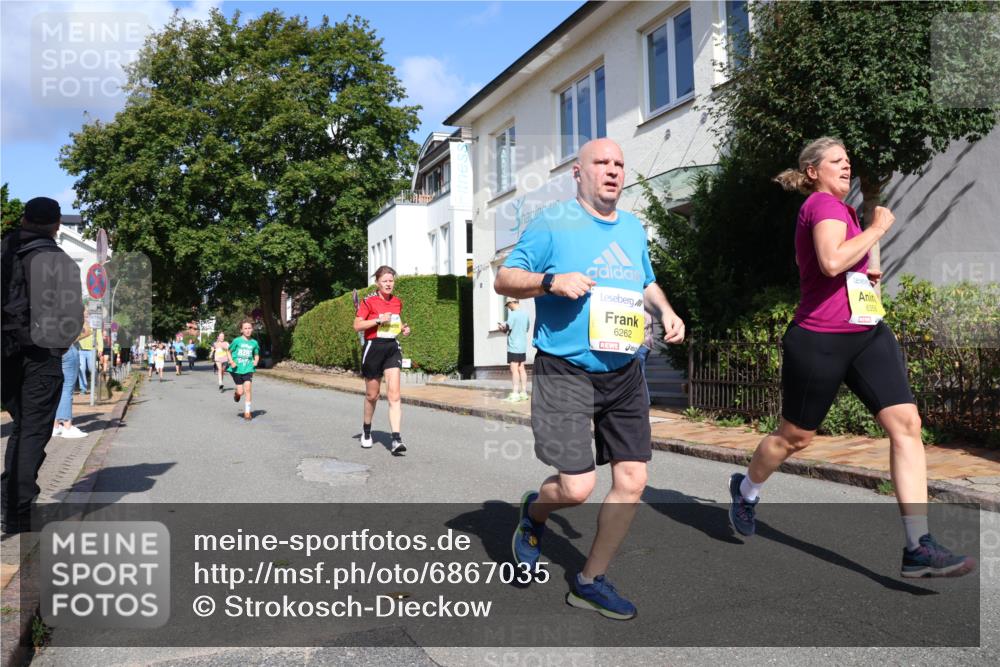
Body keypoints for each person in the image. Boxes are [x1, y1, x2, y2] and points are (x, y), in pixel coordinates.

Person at [727, 137, 975, 578]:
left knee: (907, 425)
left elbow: (842, 265)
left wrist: (865, 272)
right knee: (795, 438)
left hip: (866, 333)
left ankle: (918, 545)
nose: (846, 167)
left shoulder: (843, 211)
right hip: (819, 339)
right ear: (812, 173)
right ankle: (747, 490)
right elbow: (828, 261)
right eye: (836, 162)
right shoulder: (821, 205)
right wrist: (878, 229)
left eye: (847, 161)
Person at [495, 138, 685, 619]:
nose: (613, 170)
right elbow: (504, 277)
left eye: (619, 163)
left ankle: (589, 579)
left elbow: (644, 281)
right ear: (578, 172)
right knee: (577, 489)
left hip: (623, 370)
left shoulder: (633, 227)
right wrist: (550, 282)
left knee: (633, 479)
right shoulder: (554, 223)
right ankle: (535, 511)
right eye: (601, 162)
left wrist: (665, 309)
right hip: (566, 369)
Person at [1, 197, 83, 535]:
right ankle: (16, 511)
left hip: (4, 355)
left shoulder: (3, 250)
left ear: (23, 219)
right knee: (32, 431)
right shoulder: (60, 262)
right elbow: (72, 318)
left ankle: (10, 499)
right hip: (40, 355)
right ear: (56, 225)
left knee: (22, 429)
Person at [353, 266, 411, 454]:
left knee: (394, 395)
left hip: (391, 348)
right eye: (385, 281)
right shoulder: (368, 302)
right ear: (377, 283)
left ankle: (396, 439)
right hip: (373, 348)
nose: (388, 284)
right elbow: (357, 325)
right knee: (373, 395)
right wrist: (378, 320)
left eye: (391, 280)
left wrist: (403, 328)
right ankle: (367, 430)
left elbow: (396, 321)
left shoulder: (397, 302)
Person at [53, 305, 89, 439]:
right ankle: (67, 425)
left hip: (55, 351)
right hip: (68, 349)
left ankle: (55, 425)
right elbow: (83, 330)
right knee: (67, 389)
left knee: (58, 388)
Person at [227, 320, 260, 421]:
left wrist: (256, 361)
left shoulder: (254, 343)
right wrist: (231, 361)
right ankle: (237, 394)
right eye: (245, 328)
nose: (247, 330)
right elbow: (228, 351)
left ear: (252, 329)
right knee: (241, 392)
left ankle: (247, 412)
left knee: (248, 389)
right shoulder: (237, 341)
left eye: (249, 328)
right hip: (236, 369)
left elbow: (256, 354)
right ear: (241, 330)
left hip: (248, 368)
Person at [499, 297, 530, 401]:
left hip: (513, 346)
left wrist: (501, 328)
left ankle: (515, 393)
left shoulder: (512, 314)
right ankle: (524, 392)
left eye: (508, 305)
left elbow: (507, 328)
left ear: (512, 302)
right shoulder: (525, 314)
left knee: (514, 369)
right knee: (522, 368)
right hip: (522, 345)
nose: (508, 307)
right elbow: (526, 328)